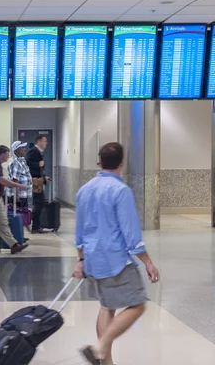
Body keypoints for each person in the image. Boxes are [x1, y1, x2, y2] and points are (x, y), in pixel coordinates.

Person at [74, 142, 160, 365]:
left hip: (94, 260)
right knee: (138, 304)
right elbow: (131, 234)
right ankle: (99, 348)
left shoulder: (84, 190)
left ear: (99, 162)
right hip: (115, 260)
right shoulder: (121, 191)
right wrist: (148, 262)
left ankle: (106, 361)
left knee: (107, 306)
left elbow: (79, 232)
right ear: (122, 163)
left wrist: (81, 260)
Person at [7, 141, 33, 237]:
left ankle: (20, 235)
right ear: (17, 150)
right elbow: (15, 180)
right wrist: (16, 197)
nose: (24, 149)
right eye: (22, 148)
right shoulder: (15, 163)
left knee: (22, 214)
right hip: (18, 195)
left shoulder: (21, 160)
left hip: (23, 194)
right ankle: (17, 235)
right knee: (18, 214)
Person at [26, 134, 50, 234]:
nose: (46, 143)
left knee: (40, 202)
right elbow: (27, 162)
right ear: (39, 142)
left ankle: (36, 225)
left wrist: (44, 177)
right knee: (38, 203)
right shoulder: (33, 151)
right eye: (44, 141)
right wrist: (37, 164)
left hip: (40, 180)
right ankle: (34, 225)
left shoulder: (39, 152)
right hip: (36, 181)